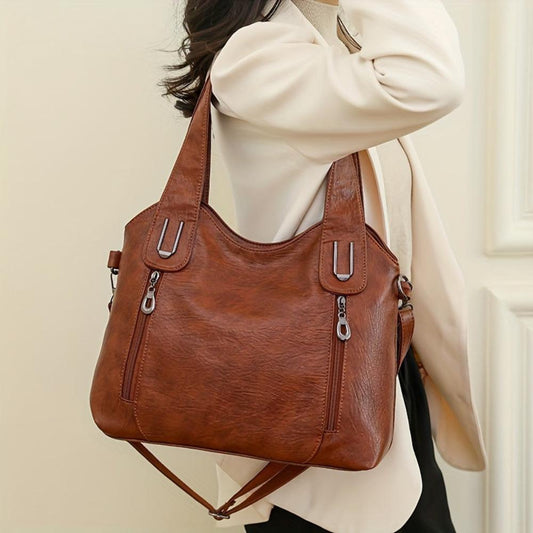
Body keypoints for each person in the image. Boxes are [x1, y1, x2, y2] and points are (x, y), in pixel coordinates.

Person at [161, 0, 487, 531]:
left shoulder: (342, 45)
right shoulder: (255, 58)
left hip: (378, 366)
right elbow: (431, 81)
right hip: (315, 383)